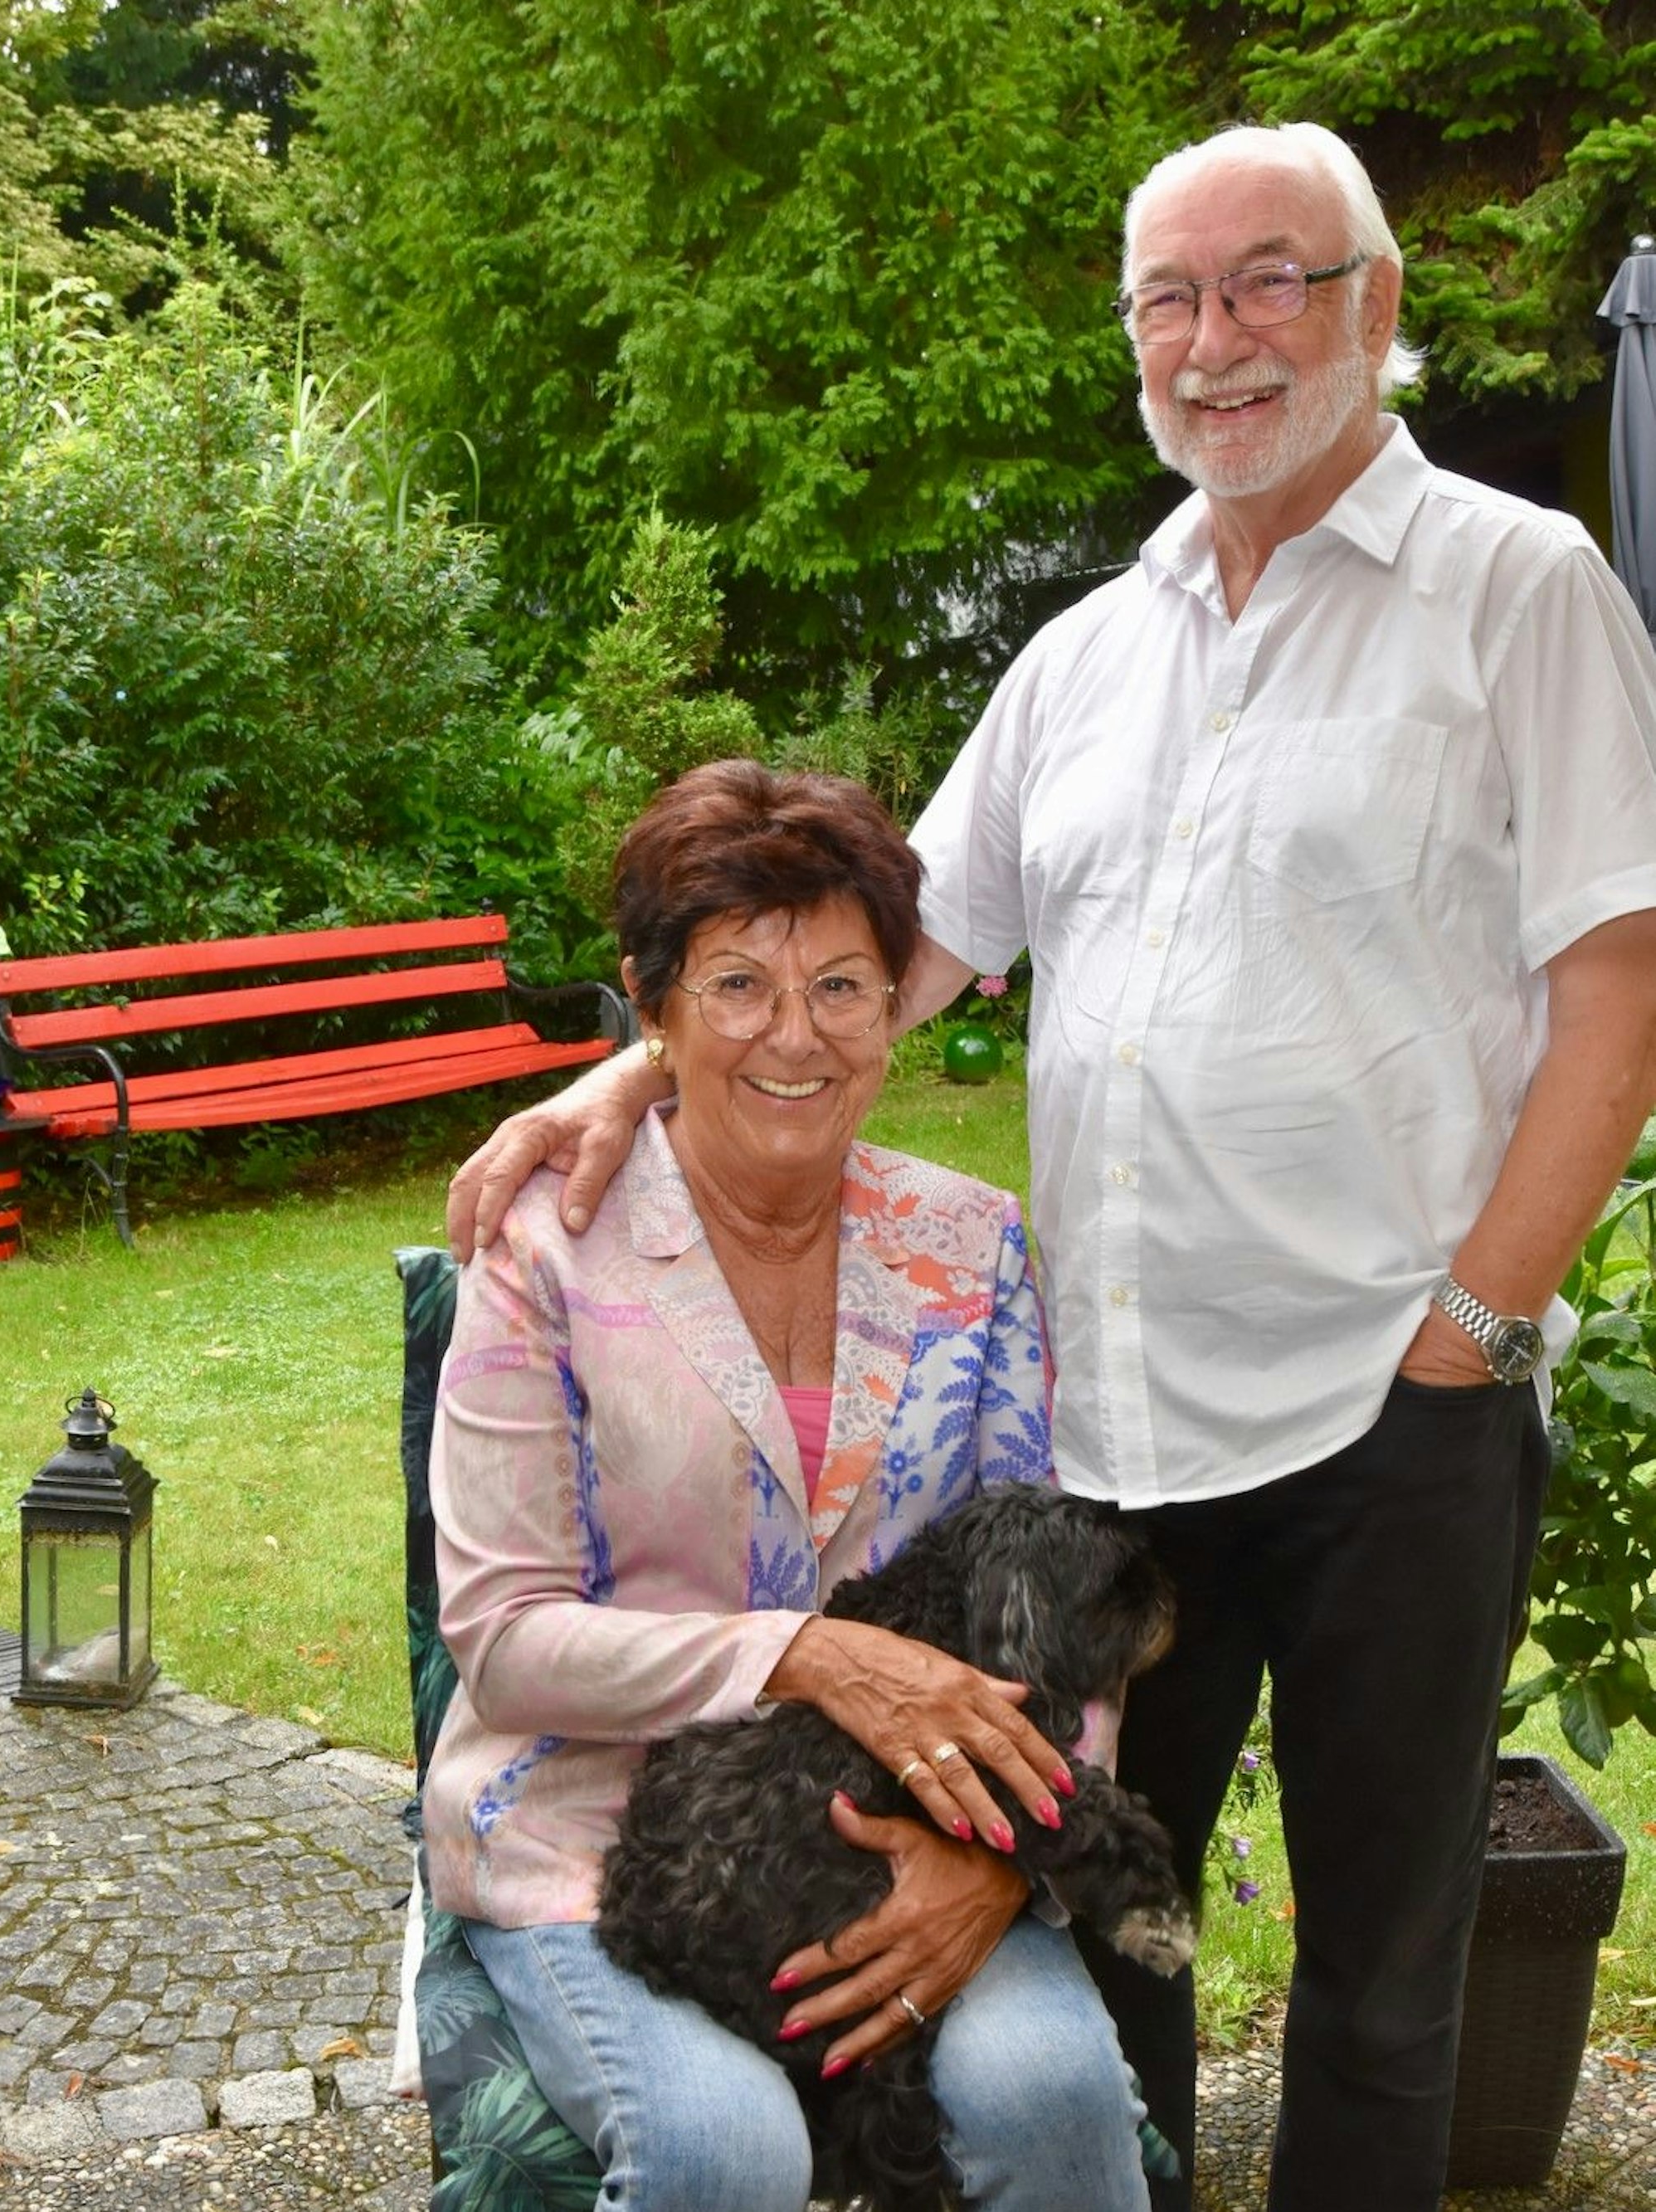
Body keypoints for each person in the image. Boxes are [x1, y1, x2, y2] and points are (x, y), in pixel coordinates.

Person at [446, 124, 1656, 2211]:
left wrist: (1470, 1333)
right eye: (1169, 301)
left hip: (1393, 1413)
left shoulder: (1516, 591)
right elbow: (861, 962)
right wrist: (620, 1083)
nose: (1217, 340)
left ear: (1373, 306)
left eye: (1268, 281)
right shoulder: (1090, 646)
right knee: (1099, 1940)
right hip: (1111, 1438)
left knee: (1381, 1977)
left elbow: (1623, 977)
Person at [423, 758, 1154, 2212]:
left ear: (895, 1009)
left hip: (924, 1826)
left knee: (1058, 2098)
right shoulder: (546, 1255)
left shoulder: (973, 1245)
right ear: (655, 1012)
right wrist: (812, 1656)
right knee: (721, 2150)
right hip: (601, 1838)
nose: (795, 1034)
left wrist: (1009, 1863)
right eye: (739, 984)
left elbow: (1069, 1609)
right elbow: (502, 1634)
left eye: (841, 986)